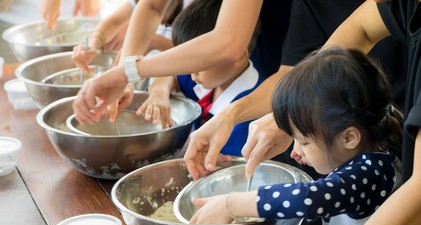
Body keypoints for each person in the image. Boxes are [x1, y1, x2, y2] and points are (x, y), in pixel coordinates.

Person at [189, 46, 403, 225]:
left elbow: (310, 199)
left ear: (349, 138)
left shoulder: (373, 173)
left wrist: (230, 205)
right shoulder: (365, 153)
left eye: (304, 142)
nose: (295, 152)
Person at [183, 0, 408, 181]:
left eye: (304, 141)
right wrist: (229, 116)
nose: (296, 150)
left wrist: (241, 205)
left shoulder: (374, 168)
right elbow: (291, 71)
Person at [71, 0, 293, 125]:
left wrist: (128, 72)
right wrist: (124, 74)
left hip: (288, 42)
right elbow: (152, 7)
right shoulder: (197, 79)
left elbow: (228, 42)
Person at [137, 0, 262, 156]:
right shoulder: (211, 79)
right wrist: (159, 93)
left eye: (198, 66)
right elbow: (170, 76)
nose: (190, 73)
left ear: (237, 56)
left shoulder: (250, 113)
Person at [71, 0, 184, 72]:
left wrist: (155, 42)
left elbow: (197, 52)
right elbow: (114, 21)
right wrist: (93, 44)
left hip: (179, 78)